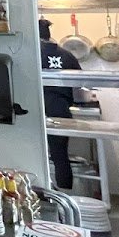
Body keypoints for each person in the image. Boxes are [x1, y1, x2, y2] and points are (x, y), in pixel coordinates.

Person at [40, 18, 81, 189]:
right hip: (61, 109)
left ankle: (42, 193)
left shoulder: (33, 54)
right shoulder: (66, 54)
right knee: (60, 155)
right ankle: (64, 193)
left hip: (38, 107)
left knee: (36, 154)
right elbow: (80, 83)